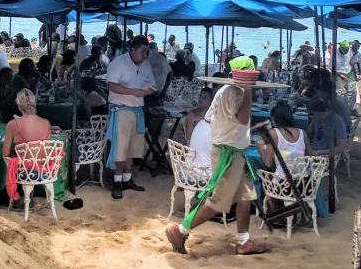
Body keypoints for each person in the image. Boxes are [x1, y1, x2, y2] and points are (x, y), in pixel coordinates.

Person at [165, 72, 270, 256]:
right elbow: (243, 119)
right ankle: (180, 230)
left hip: (232, 149)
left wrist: (227, 127)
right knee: (217, 202)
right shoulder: (239, 92)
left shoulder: (222, 91)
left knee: (245, 196)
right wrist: (248, 91)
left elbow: (208, 117)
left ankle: (244, 241)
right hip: (228, 152)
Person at [106, 35, 156, 199]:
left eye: (146, 52)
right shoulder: (118, 63)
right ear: (132, 50)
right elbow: (112, 85)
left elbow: (152, 83)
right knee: (120, 149)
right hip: (121, 109)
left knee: (132, 149)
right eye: (142, 52)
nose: (144, 55)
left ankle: (128, 179)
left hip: (137, 109)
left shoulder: (146, 65)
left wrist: (148, 90)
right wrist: (133, 91)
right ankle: (117, 182)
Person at [255, 101, 311, 179]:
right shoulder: (302, 133)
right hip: (303, 182)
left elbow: (268, 163)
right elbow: (310, 157)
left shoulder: (273, 133)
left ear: (274, 119)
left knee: (256, 173)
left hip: (282, 184)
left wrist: (260, 148)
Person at [2, 88, 52, 160]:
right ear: (34, 103)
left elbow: (5, 153)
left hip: (24, 168)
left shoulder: (12, 124)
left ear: (19, 106)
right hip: (45, 168)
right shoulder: (46, 123)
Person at [186, 87, 215, 168]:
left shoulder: (215, 115)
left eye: (205, 97)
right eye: (200, 96)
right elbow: (189, 137)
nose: (201, 98)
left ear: (211, 101)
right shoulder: (192, 114)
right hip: (196, 147)